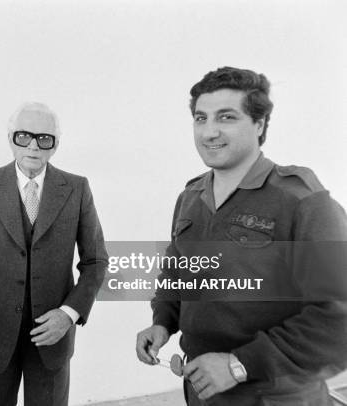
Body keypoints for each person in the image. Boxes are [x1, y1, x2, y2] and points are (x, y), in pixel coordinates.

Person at [136, 67, 347, 405]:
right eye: (200, 118)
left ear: (260, 125)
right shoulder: (190, 197)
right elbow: (178, 274)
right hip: (202, 390)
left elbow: (338, 318)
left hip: (275, 396)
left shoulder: (303, 201)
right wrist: (162, 322)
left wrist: (238, 365)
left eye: (227, 117)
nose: (209, 132)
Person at [0, 102, 108, 406]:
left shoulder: (77, 188)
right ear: (10, 139)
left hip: (52, 334)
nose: (33, 145)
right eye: (23, 136)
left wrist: (69, 314)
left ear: (55, 145)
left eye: (44, 138)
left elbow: (96, 261)